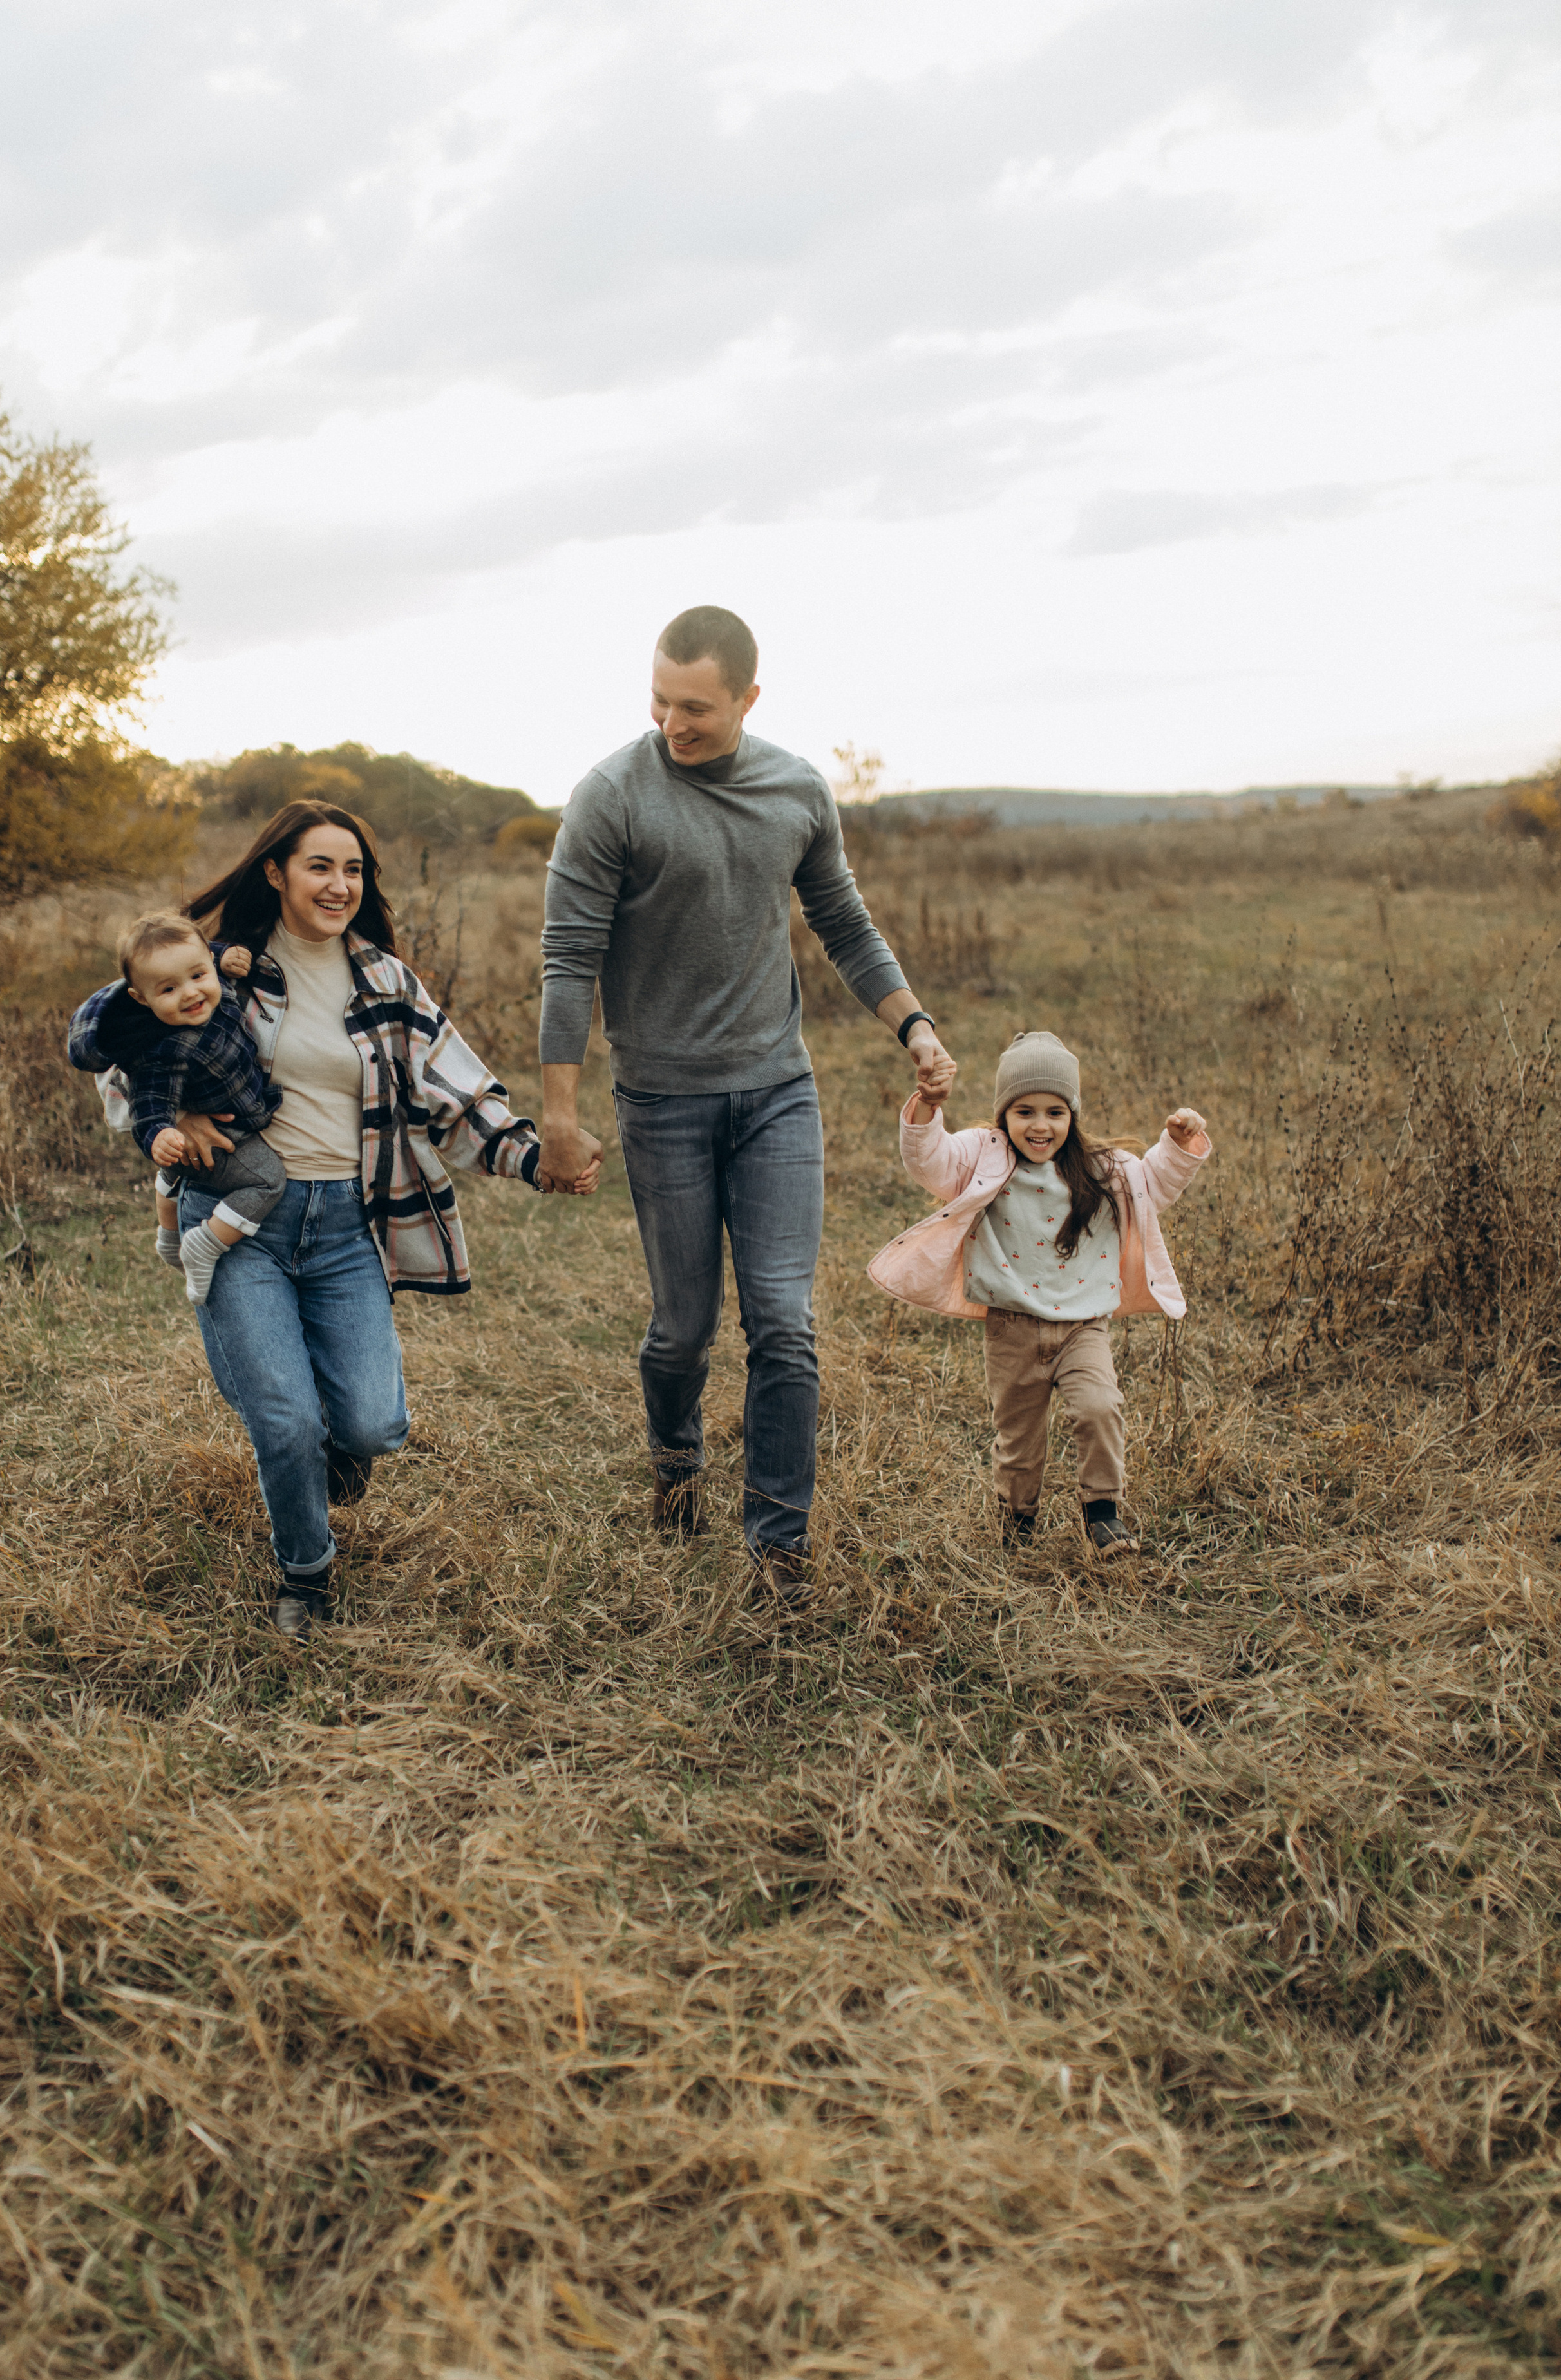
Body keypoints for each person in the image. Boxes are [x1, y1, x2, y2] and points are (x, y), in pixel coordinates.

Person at [538, 603, 953, 1602]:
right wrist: (558, 1112)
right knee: (683, 1330)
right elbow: (570, 958)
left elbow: (844, 922)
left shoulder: (796, 790)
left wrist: (914, 1025)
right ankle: (676, 1458)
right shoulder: (611, 797)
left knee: (783, 1322)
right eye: (660, 701)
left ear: (747, 700)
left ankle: (778, 1546)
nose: (672, 723)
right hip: (661, 1101)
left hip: (777, 1096)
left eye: (696, 708)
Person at [126, 798, 600, 1637]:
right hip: (239, 1221)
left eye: (353, 870)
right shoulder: (223, 968)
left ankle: (330, 1448)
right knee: (284, 1419)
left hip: (349, 1225)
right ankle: (305, 1574)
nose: (339, 885)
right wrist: (170, 1119)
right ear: (276, 872)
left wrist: (535, 1159)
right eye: (320, 866)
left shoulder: (386, 981)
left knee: (373, 1426)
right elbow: (113, 1044)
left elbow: (459, 1095)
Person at [867, 1030, 1210, 1556]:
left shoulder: (1102, 1170)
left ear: (1073, 1115)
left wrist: (1177, 1147)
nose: (1040, 1126)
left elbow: (1152, 1187)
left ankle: (1104, 1515)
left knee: (1099, 1408)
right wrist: (928, 1110)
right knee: (1019, 1437)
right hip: (1012, 1328)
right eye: (1024, 1111)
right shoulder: (984, 1158)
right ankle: (1018, 1523)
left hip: (1083, 1326)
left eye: (1055, 1112)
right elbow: (929, 1162)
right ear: (1003, 1113)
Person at [68, 913, 282, 1305]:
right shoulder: (164, 1049)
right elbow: (149, 1105)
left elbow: (198, 955)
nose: (190, 993)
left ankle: (168, 1237)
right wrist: (160, 1134)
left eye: (198, 975)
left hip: (237, 1108)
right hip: (222, 1138)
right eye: (168, 989)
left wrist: (225, 955)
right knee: (268, 1179)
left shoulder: (216, 987)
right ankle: (205, 1244)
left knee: (176, 1171)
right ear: (141, 999)